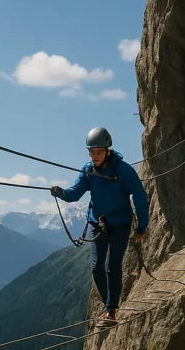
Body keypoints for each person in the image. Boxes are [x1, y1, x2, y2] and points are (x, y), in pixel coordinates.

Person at [51, 127, 148, 321]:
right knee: (97, 267)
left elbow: (139, 196)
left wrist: (141, 226)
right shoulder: (88, 171)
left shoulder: (122, 170)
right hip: (98, 223)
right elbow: (75, 193)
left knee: (113, 265)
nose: (95, 156)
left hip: (120, 223)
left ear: (107, 150)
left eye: (98, 152)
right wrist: (60, 192)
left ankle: (111, 309)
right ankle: (108, 305)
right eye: (92, 152)